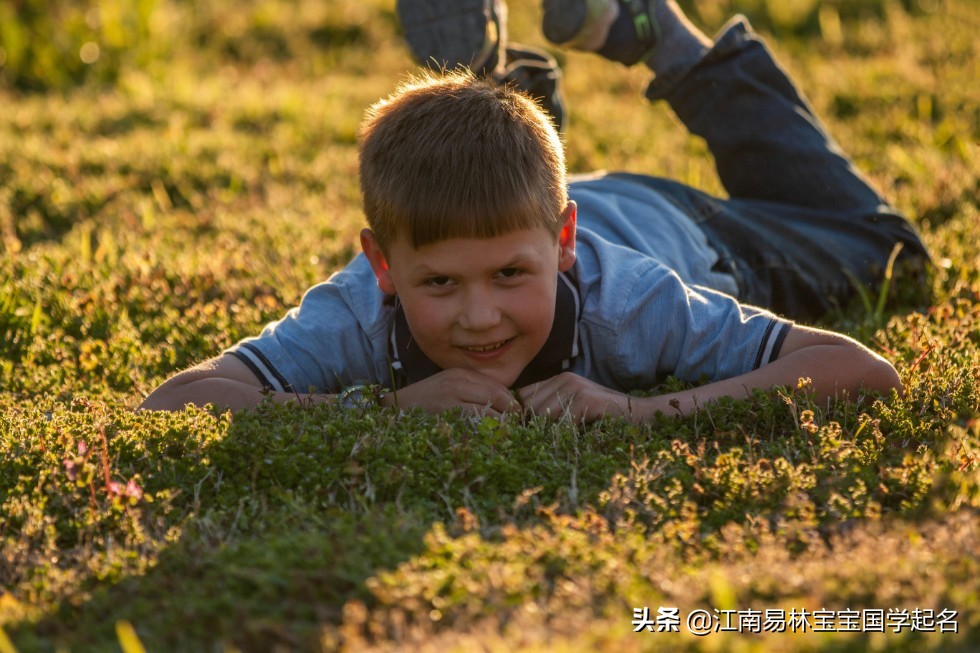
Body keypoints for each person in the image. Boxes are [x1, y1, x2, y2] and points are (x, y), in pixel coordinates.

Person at [139, 0, 931, 422]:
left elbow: (863, 371)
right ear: (382, 264)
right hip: (527, 204)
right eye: (440, 283)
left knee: (891, 250)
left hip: (685, 230)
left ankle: (667, 39)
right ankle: (480, 87)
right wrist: (381, 408)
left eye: (508, 275)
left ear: (563, 246)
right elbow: (172, 401)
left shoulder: (631, 302)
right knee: (501, 194)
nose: (478, 316)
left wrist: (637, 412)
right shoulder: (358, 309)